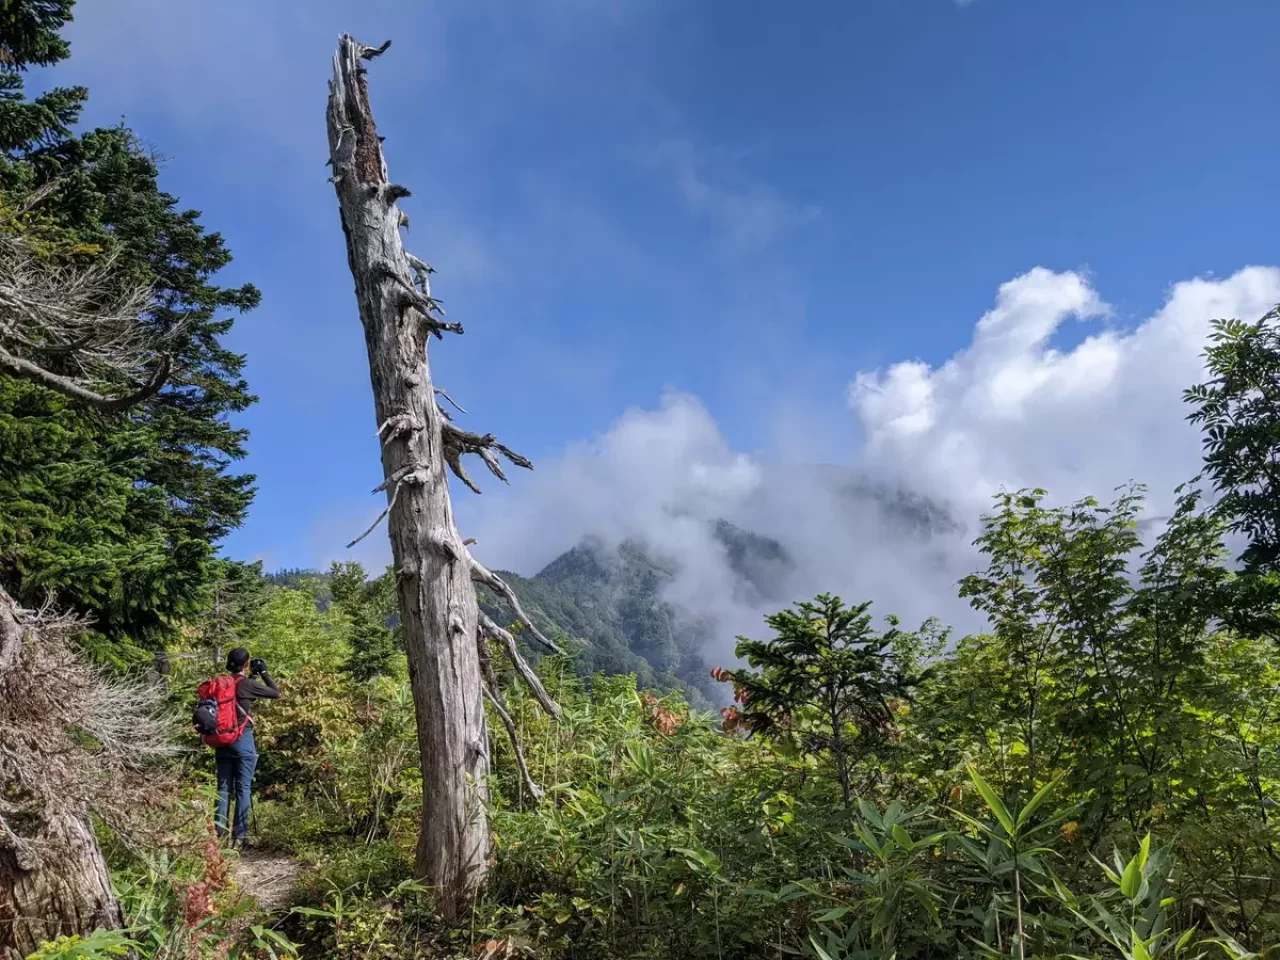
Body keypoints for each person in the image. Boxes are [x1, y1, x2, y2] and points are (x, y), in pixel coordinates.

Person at [214, 647, 279, 847]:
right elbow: (275, 692)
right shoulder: (248, 685)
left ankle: (218, 836)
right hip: (243, 740)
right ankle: (239, 838)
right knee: (243, 788)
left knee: (223, 789)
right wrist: (265, 672)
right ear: (246, 664)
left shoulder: (221, 684)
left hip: (222, 741)